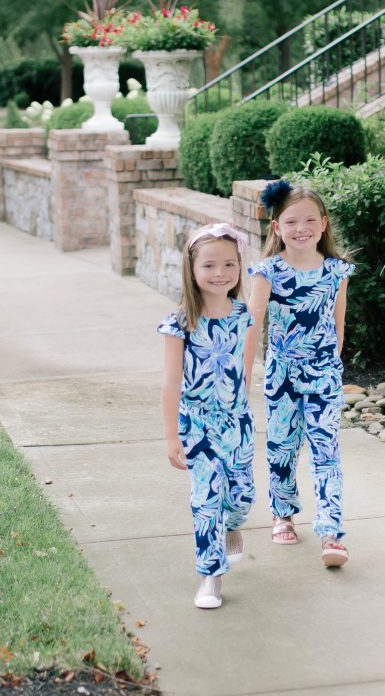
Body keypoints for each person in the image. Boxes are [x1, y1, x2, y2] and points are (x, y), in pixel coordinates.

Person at [244, 179, 355, 568]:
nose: (301, 228)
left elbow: (338, 325)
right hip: (283, 377)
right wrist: (244, 379)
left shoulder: (337, 271)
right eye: (291, 221)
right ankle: (283, 514)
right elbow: (253, 327)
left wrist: (331, 367)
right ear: (277, 228)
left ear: (323, 224)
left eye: (310, 220)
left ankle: (331, 531)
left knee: (327, 451)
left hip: (324, 376)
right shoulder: (267, 272)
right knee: (282, 448)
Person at [159, 222, 256, 610]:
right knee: (206, 499)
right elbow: (169, 383)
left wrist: (242, 406)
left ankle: (233, 525)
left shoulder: (242, 314)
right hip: (197, 424)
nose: (220, 274)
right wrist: (171, 436)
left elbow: (242, 367)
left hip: (237, 422)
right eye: (210, 266)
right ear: (192, 270)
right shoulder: (180, 323)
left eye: (229, 265)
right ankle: (210, 576)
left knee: (241, 496)